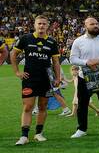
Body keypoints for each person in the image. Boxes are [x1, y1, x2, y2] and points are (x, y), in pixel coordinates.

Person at [10, 15, 61, 145]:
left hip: (46, 79)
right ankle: (24, 136)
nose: (41, 26)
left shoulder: (51, 42)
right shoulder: (25, 38)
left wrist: (58, 78)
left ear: (47, 26)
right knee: (28, 107)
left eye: (44, 24)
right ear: (34, 25)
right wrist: (17, 72)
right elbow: (13, 54)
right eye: (39, 23)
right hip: (29, 78)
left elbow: (55, 62)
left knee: (42, 106)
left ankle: (38, 133)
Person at [69, 17, 99, 138]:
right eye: (92, 24)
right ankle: (82, 129)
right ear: (85, 26)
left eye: (96, 24)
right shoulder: (78, 41)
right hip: (84, 78)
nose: (95, 25)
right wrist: (86, 63)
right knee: (82, 104)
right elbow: (73, 59)